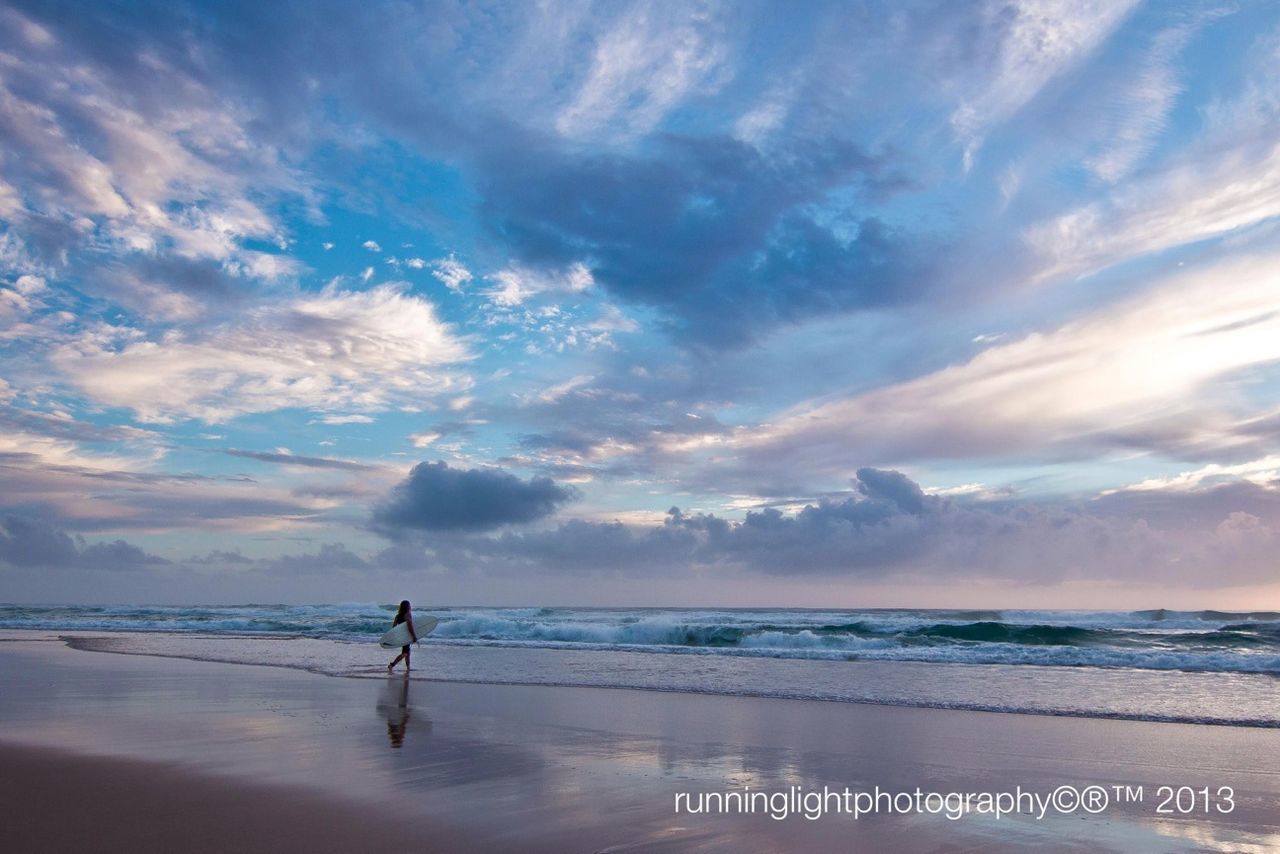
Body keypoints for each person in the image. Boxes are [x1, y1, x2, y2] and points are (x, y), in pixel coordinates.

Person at [386, 600, 417, 673]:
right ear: (407, 606)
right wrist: (414, 636)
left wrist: (396, 636)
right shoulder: (407, 614)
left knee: (408, 652)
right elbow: (410, 626)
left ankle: (408, 668)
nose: (410, 606)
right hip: (406, 636)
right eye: (409, 605)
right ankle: (392, 664)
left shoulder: (397, 616)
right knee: (405, 653)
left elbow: (393, 627)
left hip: (401, 636)